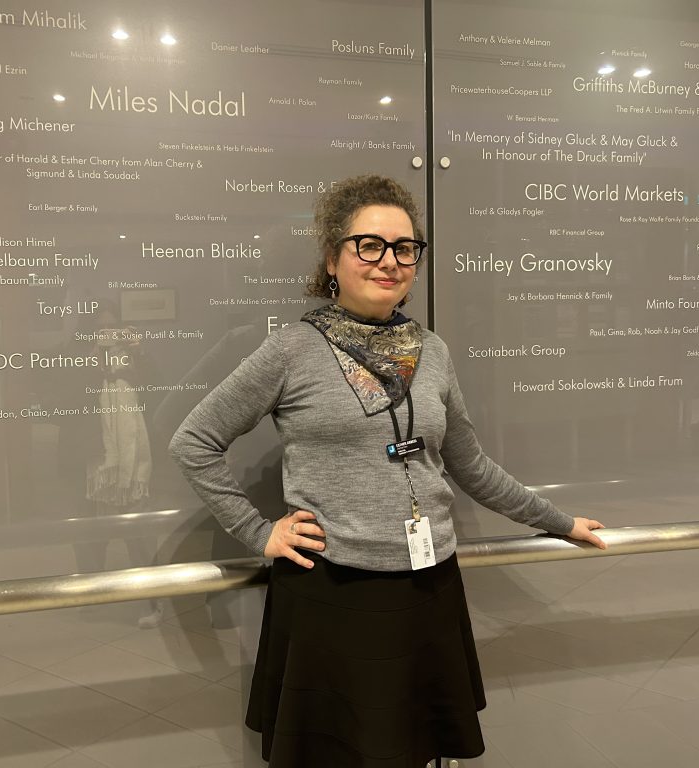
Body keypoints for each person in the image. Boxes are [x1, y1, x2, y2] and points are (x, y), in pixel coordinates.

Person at [169, 174, 606, 767]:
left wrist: (558, 521)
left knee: (414, 751)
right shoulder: (292, 350)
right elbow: (194, 440)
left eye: (404, 248)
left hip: (427, 585)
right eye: (368, 245)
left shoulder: (432, 350)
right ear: (333, 257)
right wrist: (258, 531)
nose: (389, 261)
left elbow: (470, 465)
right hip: (333, 591)